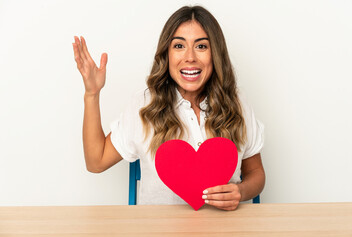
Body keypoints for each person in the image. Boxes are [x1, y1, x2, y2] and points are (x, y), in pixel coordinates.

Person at [72, 5, 265, 211]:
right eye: (179, 46)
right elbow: (96, 161)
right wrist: (92, 94)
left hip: (226, 230)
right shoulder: (144, 106)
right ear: (167, 54)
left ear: (215, 54)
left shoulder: (237, 103)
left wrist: (241, 191)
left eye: (201, 46)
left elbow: (256, 173)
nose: (190, 57)